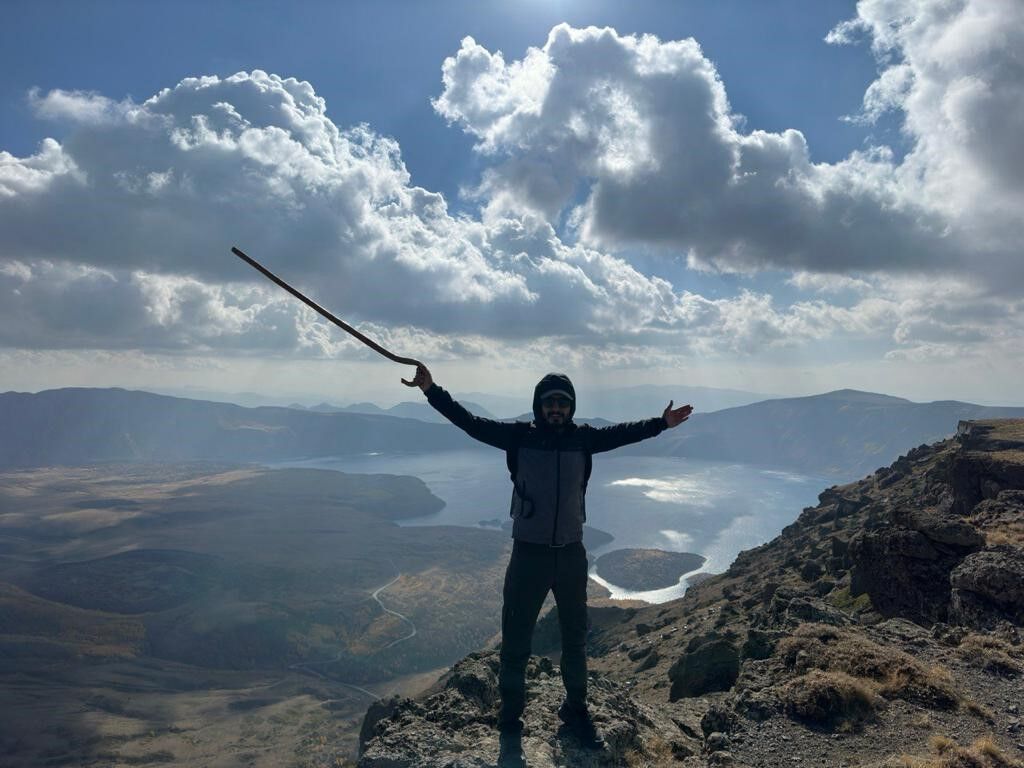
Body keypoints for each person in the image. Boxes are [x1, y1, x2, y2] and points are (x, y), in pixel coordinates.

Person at [406, 364, 692, 751]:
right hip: (529, 555)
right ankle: (510, 721)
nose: (556, 409)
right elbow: (470, 423)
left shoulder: (582, 439)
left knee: (575, 641)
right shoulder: (519, 437)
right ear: (538, 406)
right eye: (549, 403)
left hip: (571, 555)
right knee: (516, 644)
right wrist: (431, 390)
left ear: (571, 407)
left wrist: (661, 423)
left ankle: (576, 711)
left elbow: (623, 433)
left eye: (562, 403)